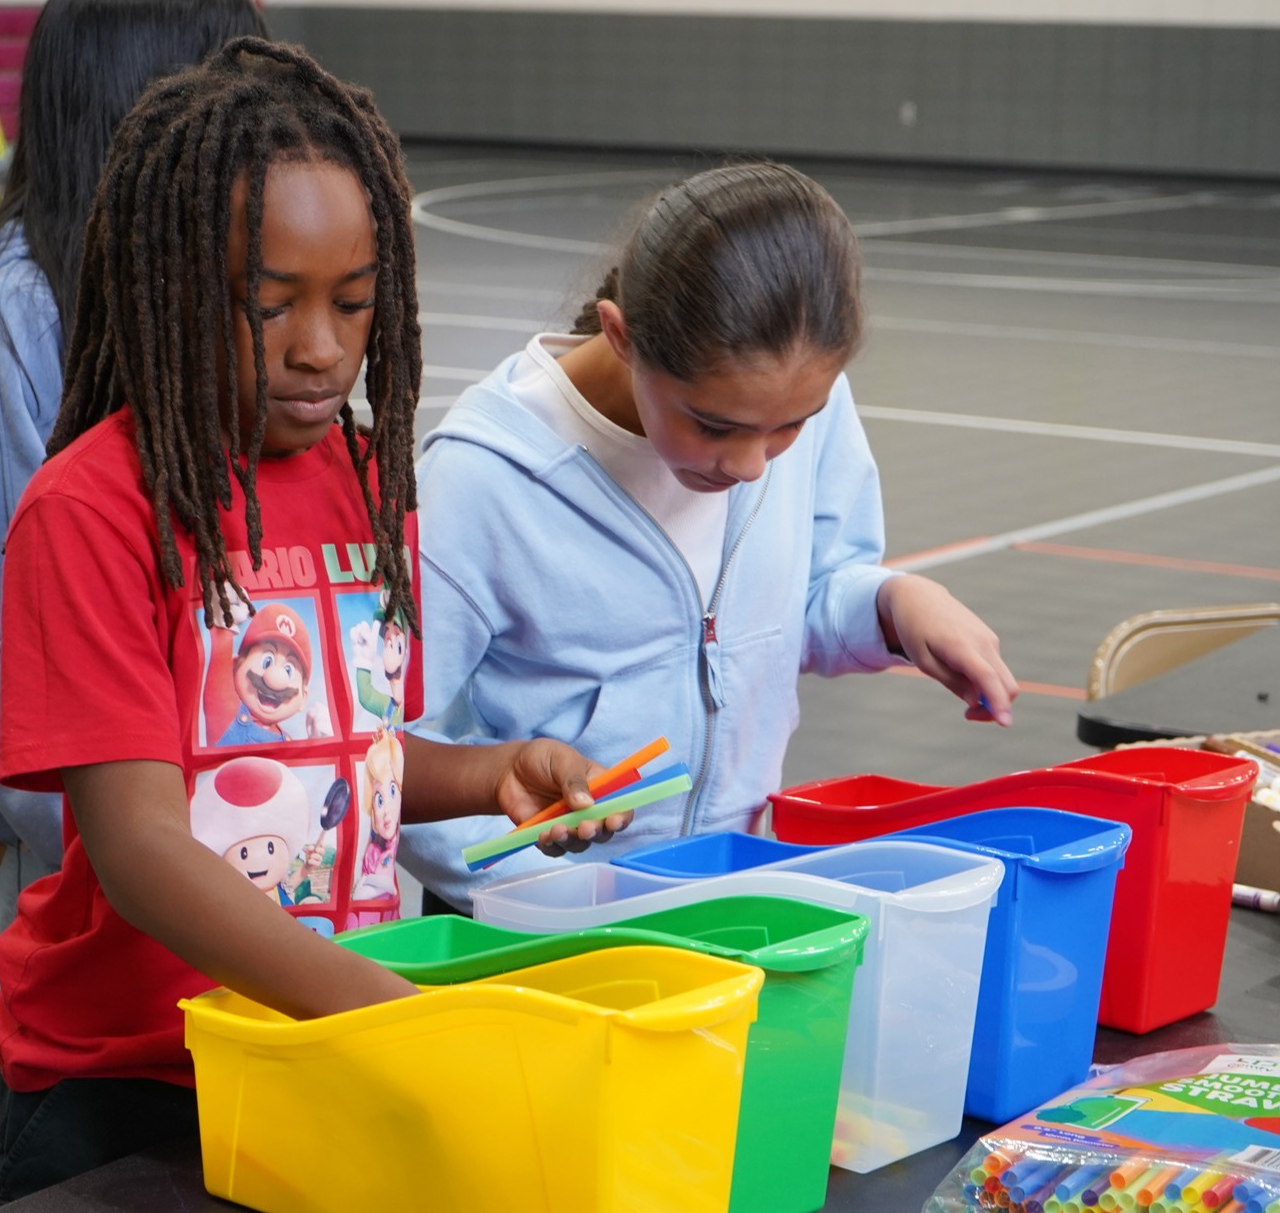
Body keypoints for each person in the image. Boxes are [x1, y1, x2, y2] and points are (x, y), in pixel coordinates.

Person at [0, 38, 624, 1209]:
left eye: (354, 303)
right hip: (131, 1086)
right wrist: (395, 1020)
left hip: (317, 1050)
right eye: (267, 305)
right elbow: (140, 849)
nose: (320, 347)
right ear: (168, 291)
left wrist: (493, 773)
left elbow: (342, 752)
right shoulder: (93, 508)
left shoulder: (367, 478)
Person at [400, 162, 1020, 906]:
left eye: (791, 425)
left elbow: (805, 598)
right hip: (531, 924)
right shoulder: (479, 483)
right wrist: (542, 895)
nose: (754, 465)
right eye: (715, 426)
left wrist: (892, 605)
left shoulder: (795, 393)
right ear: (622, 337)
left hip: (723, 894)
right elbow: (388, 750)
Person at [0, 0, 265, 1102]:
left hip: (199, 858)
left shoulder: (182, 297)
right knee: (83, 1158)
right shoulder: (23, 311)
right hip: (81, 865)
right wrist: (130, 843)